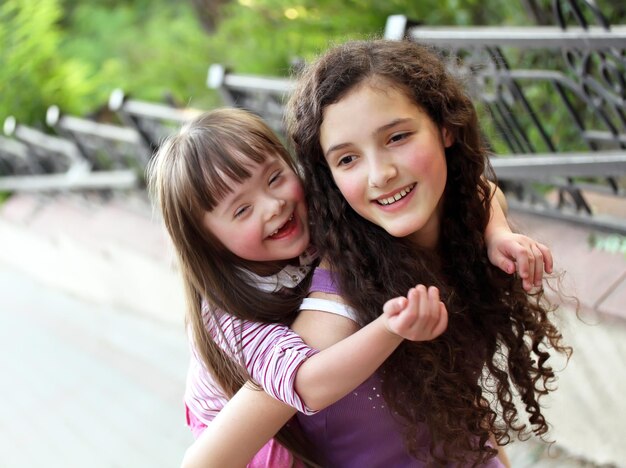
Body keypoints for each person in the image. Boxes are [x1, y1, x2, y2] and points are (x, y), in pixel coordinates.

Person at [147, 102, 554, 466]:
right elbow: (309, 385)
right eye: (242, 209)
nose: (274, 206)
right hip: (256, 442)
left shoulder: (317, 208)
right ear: (209, 244)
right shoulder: (227, 318)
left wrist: (498, 235)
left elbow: (473, 190)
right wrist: (391, 327)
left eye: (274, 178)